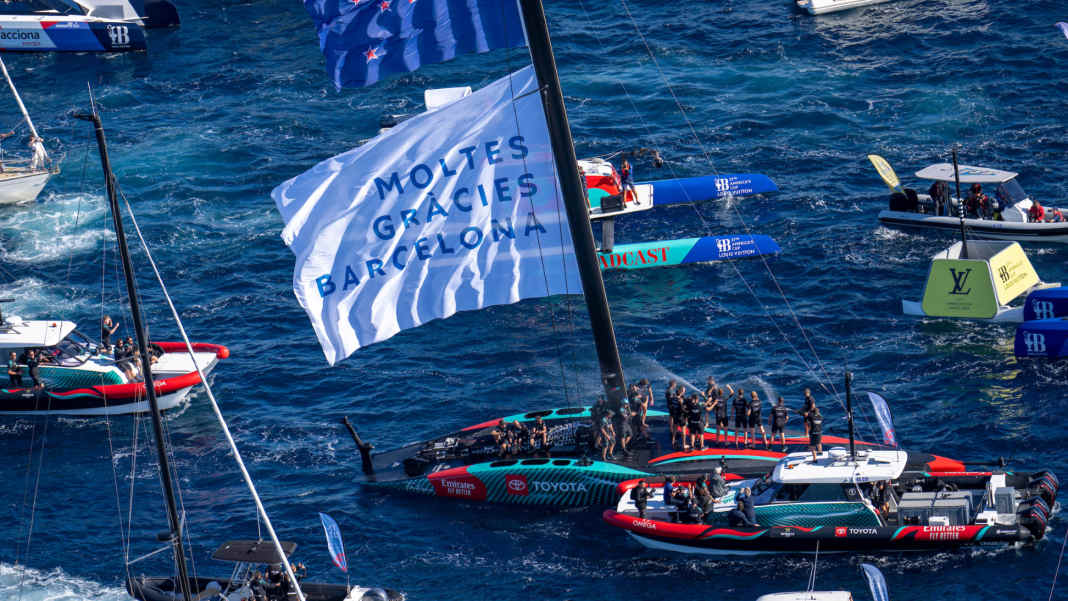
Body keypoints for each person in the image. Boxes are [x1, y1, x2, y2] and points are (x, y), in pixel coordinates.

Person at [665, 381, 681, 448]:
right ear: (673, 384)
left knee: (671, 417)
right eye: (675, 384)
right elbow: (671, 398)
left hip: (669, 405)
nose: (675, 385)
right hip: (671, 406)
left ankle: (671, 429)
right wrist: (678, 397)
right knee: (672, 418)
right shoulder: (670, 391)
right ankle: (672, 430)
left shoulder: (668, 390)